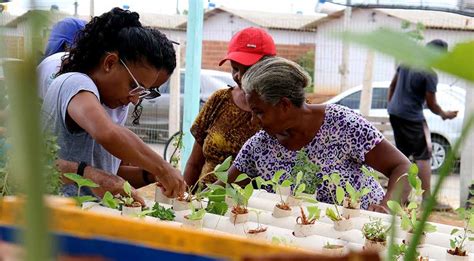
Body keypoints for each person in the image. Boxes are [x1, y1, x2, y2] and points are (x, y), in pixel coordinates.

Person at [225, 57, 412, 212]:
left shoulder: (342, 125)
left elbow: (402, 166)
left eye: (259, 112)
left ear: (284, 105)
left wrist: (387, 208)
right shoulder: (259, 146)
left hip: (360, 237)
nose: (253, 121)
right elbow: (223, 189)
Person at [41, 8, 186, 198]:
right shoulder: (74, 82)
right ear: (109, 63)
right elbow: (107, 133)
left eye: (142, 92)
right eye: (134, 86)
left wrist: (148, 174)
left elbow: (105, 173)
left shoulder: (111, 103)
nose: (134, 99)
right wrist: (162, 167)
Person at [183, 27, 276, 186]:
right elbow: (194, 163)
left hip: (253, 207)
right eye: (235, 68)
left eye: (248, 70)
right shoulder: (219, 100)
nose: (238, 76)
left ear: (268, 66)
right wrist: (184, 200)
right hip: (203, 201)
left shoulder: (282, 108)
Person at [387, 39, 457, 210]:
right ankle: (427, 200)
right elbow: (432, 105)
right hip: (412, 118)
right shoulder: (429, 73)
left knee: (402, 156)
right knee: (424, 156)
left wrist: (392, 106)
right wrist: (445, 114)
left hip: (395, 114)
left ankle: (398, 197)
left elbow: (392, 85)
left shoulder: (406, 62)